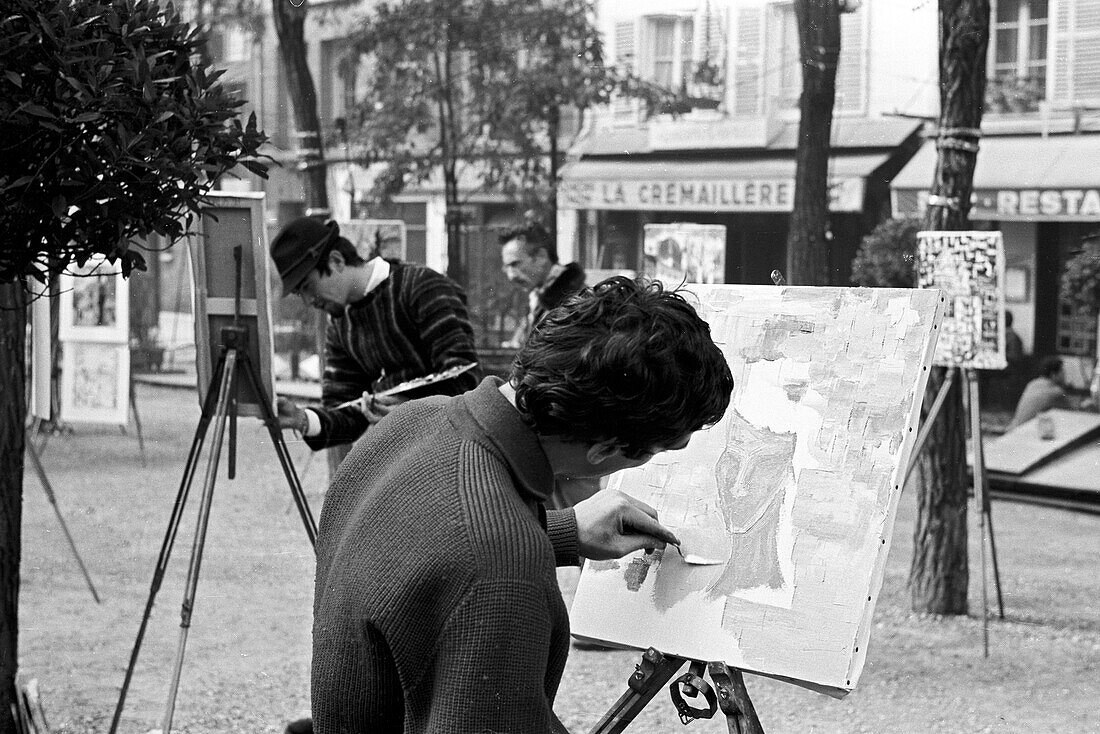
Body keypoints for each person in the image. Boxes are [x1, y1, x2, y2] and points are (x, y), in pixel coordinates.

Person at [311, 277, 734, 733]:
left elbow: (416, 557)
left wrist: (558, 532)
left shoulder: (412, 421)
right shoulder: (503, 566)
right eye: (657, 450)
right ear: (604, 448)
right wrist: (523, 545)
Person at [269, 216, 481, 450]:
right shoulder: (340, 326)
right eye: (300, 294)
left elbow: (466, 380)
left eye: (308, 287)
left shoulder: (421, 287)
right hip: (397, 454)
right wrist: (302, 420)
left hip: (453, 448)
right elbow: (345, 412)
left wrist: (411, 411)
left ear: (337, 261)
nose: (309, 301)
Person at [500, 220, 586, 344]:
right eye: (506, 267)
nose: (511, 276)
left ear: (540, 257)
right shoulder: (540, 298)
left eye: (515, 264)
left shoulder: (575, 302)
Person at [1008, 355, 1073, 429]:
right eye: (1062, 371)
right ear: (1053, 375)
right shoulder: (1056, 392)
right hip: (1025, 434)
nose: (1064, 375)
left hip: (1013, 430)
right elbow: (1072, 413)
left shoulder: (1032, 383)